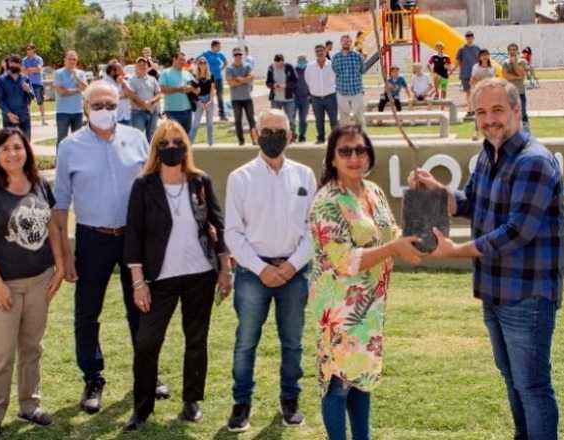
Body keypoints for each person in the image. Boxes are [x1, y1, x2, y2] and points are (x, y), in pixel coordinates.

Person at [410, 77, 564, 440]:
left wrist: (456, 251)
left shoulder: (533, 161)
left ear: (517, 110)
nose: (489, 120)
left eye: (497, 110)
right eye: (481, 112)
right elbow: (471, 202)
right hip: (494, 291)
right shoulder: (488, 153)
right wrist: (439, 192)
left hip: (527, 296)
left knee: (532, 387)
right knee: (513, 380)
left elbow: (517, 231)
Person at [53, 82, 169, 416]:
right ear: (86, 107)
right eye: (98, 104)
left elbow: (152, 187)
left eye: (110, 104)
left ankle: (148, 373)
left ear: (119, 105)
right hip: (93, 238)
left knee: (141, 308)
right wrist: (64, 255)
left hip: (134, 238)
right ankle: (93, 378)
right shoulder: (70, 147)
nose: (105, 110)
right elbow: (60, 204)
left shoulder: (136, 138)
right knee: (88, 311)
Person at [310, 124, 423, 440]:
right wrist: (393, 248)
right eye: (345, 151)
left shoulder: (373, 191)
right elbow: (344, 260)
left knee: (362, 380)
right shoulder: (327, 201)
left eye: (360, 150)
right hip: (339, 310)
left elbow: (391, 233)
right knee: (338, 385)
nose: (354, 157)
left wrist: (418, 203)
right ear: (332, 158)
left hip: (370, 308)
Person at [122, 120, 232, 432]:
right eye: (165, 143)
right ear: (156, 150)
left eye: (177, 142)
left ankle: (191, 400)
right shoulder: (143, 186)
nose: (172, 148)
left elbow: (218, 225)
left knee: (196, 339)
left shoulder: (200, 181)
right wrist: (138, 282)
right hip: (160, 279)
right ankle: (142, 408)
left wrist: (225, 269)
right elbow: (133, 236)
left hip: (200, 274)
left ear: (186, 147)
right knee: (147, 341)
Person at [0, 128, 65, 439]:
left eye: (17, 147)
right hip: (4, 285)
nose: (12, 154)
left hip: (39, 280)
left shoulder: (39, 182)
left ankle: (29, 405)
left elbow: (52, 227)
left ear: (27, 150)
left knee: (32, 347)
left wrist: (60, 265)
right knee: (2, 353)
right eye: (5, 149)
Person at [223, 110, 316, 433]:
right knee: (246, 341)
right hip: (253, 273)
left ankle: (290, 400)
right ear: (255, 134)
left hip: (294, 271)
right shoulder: (240, 178)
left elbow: (313, 229)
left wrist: (292, 265)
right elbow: (233, 232)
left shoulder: (305, 175)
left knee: (292, 342)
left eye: (279, 131)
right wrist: (261, 269)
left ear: (290, 135)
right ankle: (241, 403)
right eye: (267, 131)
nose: (273, 137)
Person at [0, 55, 36, 141]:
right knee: (10, 143)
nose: (13, 66)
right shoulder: (1, 80)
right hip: (9, 119)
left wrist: (28, 90)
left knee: (25, 144)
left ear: (20, 66)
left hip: (24, 118)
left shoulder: (25, 78)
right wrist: (9, 114)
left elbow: (32, 96)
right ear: (9, 65)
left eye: (16, 65)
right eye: (12, 64)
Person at [53, 50, 88, 147]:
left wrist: (76, 77)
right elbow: (62, 92)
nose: (72, 61)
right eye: (70, 59)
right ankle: (60, 157)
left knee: (77, 141)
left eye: (74, 59)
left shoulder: (80, 73)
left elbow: (85, 88)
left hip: (78, 112)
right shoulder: (58, 73)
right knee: (62, 140)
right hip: (63, 112)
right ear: (65, 60)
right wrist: (78, 90)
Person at [307, 44, 339, 144]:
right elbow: (307, 80)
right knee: (319, 120)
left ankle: (335, 140)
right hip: (316, 98)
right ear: (315, 53)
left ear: (326, 52)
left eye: (321, 51)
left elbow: (337, 79)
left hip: (331, 97)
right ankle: (320, 138)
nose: (320, 53)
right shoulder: (310, 66)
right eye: (317, 51)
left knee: (333, 120)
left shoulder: (332, 65)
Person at [160, 51, 197, 136]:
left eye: (184, 60)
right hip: (172, 112)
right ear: (174, 59)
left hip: (187, 111)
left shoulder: (187, 73)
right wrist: (179, 89)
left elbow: (196, 88)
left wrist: (191, 88)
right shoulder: (165, 73)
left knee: (186, 137)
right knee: (174, 137)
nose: (183, 62)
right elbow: (162, 89)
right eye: (180, 59)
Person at [332, 35, 366, 127]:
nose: (346, 43)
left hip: (356, 91)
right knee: (344, 118)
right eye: (344, 41)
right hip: (342, 91)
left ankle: (361, 134)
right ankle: (345, 135)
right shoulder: (335, 57)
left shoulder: (358, 56)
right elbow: (334, 71)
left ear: (351, 42)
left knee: (359, 116)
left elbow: (363, 70)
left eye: (348, 41)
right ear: (341, 42)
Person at [227, 48, 257, 146]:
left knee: (251, 120)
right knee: (238, 120)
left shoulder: (247, 66)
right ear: (233, 56)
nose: (238, 56)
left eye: (239, 54)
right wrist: (244, 80)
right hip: (236, 99)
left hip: (247, 98)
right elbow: (231, 83)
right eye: (236, 55)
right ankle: (241, 141)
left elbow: (251, 77)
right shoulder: (229, 68)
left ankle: (254, 139)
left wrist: (238, 79)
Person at [128, 58, 162, 142]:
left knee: (152, 137)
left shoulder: (152, 79)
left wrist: (150, 102)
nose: (142, 66)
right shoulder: (131, 80)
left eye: (144, 64)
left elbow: (159, 94)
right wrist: (144, 105)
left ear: (147, 66)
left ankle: (150, 150)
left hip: (153, 112)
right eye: (139, 64)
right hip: (138, 113)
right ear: (136, 67)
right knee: (137, 137)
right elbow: (132, 96)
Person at [266, 54, 299, 135]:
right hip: (275, 99)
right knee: (275, 119)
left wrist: (285, 85)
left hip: (289, 99)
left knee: (290, 119)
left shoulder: (289, 67)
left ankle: (292, 136)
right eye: (277, 64)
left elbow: (295, 81)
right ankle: (278, 137)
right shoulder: (271, 68)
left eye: (281, 64)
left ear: (283, 62)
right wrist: (273, 85)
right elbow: (268, 82)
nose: (279, 66)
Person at [452, 31, 481, 117]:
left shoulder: (477, 48)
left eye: (471, 37)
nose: (469, 38)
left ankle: (476, 109)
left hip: (475, 74)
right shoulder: (461, 49)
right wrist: (451, 71)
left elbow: (481, 61)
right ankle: (470, 110)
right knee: (468, 93)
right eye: (468, 37)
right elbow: (457, 62)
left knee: (475, 92)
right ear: (466, 38)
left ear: (473, 38)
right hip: (465, 74)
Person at [470, 50, 497, 141]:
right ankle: (476, 132)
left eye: (486, 55)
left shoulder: (492, 67)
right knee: (478, 113)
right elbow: (473, 80)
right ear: (479, 57)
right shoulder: (475, 67)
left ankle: (491, 132)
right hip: (478, 93)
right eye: (483, 55)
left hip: (490, 93)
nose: (485, 57)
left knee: (491, 113)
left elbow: (493, 81)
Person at [189, 57, 216, 146]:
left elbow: (212, 89)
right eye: (201, 63)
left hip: (209, 99)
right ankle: (190, 144)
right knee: (195, 124)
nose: (203, 64)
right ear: (198, 65)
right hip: (199, 100)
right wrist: (199, 102)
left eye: (204, 63)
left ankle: (210, 144)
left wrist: (210, 101)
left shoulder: (211, 75)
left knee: (210, 124)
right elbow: (192, 91)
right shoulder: (195, 77)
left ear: (207, 64)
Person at [201, 40, 229, 120]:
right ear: (213, 46)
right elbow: (198, 61)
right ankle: (207, 115)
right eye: (218, 46)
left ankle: (222, 115)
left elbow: (226, 62)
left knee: (220, 97)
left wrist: (221, 69)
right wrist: (204, 72)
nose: (220, 48)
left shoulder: (220, 54)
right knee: (208, 97)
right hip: (209, 79)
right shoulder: (206, 54)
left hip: (219, 78)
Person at [503, 44, 530, 126]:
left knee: (522, 111)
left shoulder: (522, 61)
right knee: (510, 111)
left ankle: (525, 125)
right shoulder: (505, 63)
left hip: (520, 91)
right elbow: (506, 76)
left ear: (517, 51)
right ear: (508, 51)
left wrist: (514, 63)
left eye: (514, 49)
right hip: (509, 92)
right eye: (510, 50)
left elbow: (522, 74)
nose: (512, 51)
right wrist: (518, 77)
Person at [23, 44, 47, 126]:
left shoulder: (39, 59)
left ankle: (43, 120)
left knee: (40, 102)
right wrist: (34, 69)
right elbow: (23, 71)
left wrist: (29, 69)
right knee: (27, 103)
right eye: (27, 49)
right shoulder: (24, 60)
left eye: (29, 49)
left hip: (37, 83)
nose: (28, 50)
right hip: (27, 84)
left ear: (34, 50)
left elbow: (39, 69)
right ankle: (28, 120)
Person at [103, 61, 133, 126]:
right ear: (112, 72)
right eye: (119, 69)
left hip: (126, 116)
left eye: (121, 68)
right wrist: (122, 95)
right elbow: (109, 97)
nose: (122, 70)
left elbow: (130, 94)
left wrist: (122, 83)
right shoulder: (105, 82)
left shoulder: (124, 81)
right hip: (113, 118)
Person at [294, 55, 312, 143]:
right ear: (297, 61)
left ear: (306, 61)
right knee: (292, 118)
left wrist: (310, 96)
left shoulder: (309, 70)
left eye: (303, 61)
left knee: (303, 119)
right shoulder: (294, 70)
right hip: (294, 98)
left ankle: (302, 135)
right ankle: (292, 135)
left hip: (305, 98)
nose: (302, 62)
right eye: (300, 61)